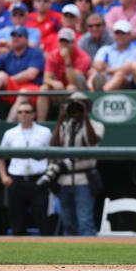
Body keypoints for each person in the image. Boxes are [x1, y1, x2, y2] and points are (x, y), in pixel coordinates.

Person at [50, 92, 105, 236]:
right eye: (73, 104)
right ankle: (70, 258)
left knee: (85, 222)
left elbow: (93, 141)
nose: (76, 107)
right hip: (65, 179)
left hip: (84, 178)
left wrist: (85, 116)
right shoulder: (65, 125)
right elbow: (54, 145)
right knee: (68, 223)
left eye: (80, 104)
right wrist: (60, 120)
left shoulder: (96, 125)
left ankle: (89, 257)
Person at [0, 101, 53, 236]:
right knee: (17, 220)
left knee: (43, 220)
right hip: (16, 180)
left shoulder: (45, 132)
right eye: (20, 112)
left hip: (39, 179)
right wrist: (4, 176)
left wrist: (50, 175)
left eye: (26, 112)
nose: (23, 115)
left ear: (33, 115)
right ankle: (17, 253)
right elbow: (0, 156)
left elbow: (53, 156)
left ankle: (47, 251)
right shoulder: (10, 133)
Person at [0, 27, 45, 122]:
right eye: (13, 36)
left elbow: (31, 74)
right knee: (2, 75)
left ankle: (7, 124)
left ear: (26, 39)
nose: (15, 38)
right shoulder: (8, 55)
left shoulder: (35, 52)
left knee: (23, 91)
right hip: (14, 89)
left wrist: (8, 79)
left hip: (33, 89)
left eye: (19, 36)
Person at [37, 28, 91, 121]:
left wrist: (67, 59)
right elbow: (46, 78)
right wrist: (53, 83)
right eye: (61, 41)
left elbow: (73, 81)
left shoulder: (83, 57)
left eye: (67, 42)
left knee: (71, 88)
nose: (63, 44)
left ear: (73, 43)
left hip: (78, 92)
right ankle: (41, 123)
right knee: (44, 88)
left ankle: (71, 123)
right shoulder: (53, 55)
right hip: (59, 90)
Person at [79, 20, 136, 91]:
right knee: (94, 71)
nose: (120, 36)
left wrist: (105, 70)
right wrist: (100, 67)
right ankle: (89, 90)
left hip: (128, 83)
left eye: (123, 33)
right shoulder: (105, 49)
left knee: (120, 74)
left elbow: (126, 69)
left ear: (129, 35)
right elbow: (97, 65)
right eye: (117, 33)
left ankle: (101, 93)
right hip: (106, 79)